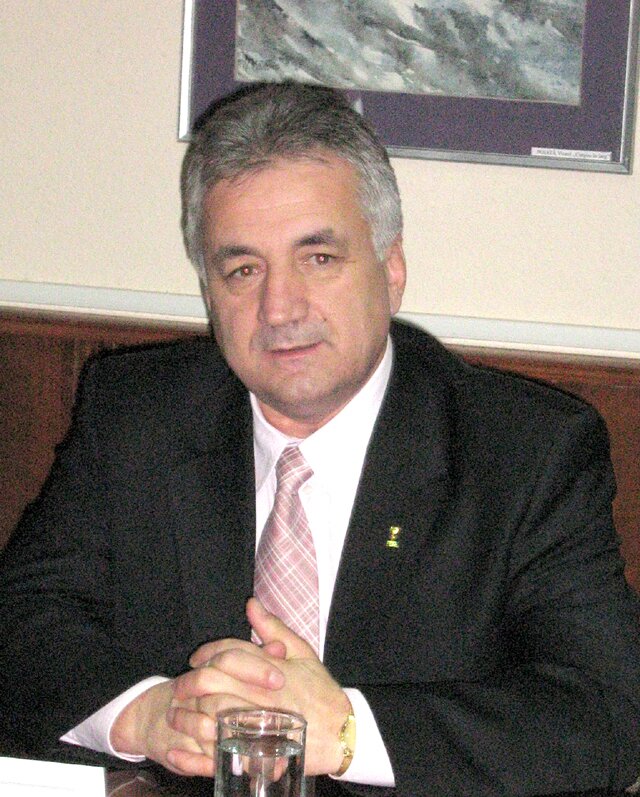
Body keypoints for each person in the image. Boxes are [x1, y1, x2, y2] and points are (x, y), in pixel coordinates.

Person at [0, 82, 639, 797]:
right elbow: (23, 620)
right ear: (209, 291)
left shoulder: (524, 451)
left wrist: (344, 731)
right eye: (243, 270)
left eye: (319, 258)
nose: (280, 308)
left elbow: (605, 713)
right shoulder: (137, 413)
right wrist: (147, 715)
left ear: (391, 270)